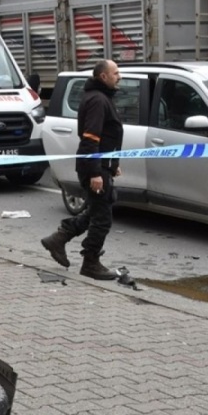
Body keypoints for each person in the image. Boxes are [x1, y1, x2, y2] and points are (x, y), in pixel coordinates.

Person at [40, 59, 123, 280]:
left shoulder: (101, 97)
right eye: (115, 73)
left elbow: (107, 136)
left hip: (100, 165)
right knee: (102, 219)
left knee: (96, 211)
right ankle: (91, 263)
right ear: (103, 76)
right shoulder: (97, 100)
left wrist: (113, 164)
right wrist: (96, 171)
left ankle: (58, 238)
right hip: (93, 167)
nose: (119, 76)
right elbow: (90, 138)